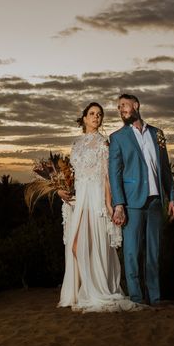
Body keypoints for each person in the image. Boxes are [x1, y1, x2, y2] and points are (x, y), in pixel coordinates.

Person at [58, 102, 141, 312]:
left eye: (100, 114)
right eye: (92, 114)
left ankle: (94, 290)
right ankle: (84, 289)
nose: (97, 117)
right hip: (79, 198)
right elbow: (71, 175)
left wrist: (108, 203)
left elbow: (107, 176)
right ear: (84, 118)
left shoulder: (105, 143)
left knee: (92, 244)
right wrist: (62, 189)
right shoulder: (76, 144)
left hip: (95, 196)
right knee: (75, 244)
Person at [108, 94, 174, 304]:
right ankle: (136, 299)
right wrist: (119, 203)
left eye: (124, 105)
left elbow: (165, 169)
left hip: (156, 201)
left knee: (153, 253)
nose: (121, 109)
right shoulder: (118, 137)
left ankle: (154, 299)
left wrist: (172, 198)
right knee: (131, 253)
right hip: (132, 203)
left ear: (136, 105)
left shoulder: (157, 133)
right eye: (119, 107)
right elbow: (114, 173)